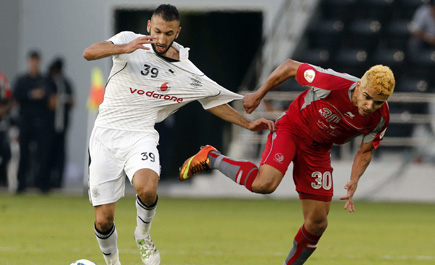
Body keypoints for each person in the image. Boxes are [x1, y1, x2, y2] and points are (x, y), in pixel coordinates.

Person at [82, 4, 274, 265]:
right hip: (105, 135)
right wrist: (121, 49)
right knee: (104, 219)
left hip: (140, 135)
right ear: (149, 26)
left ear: (178, 32)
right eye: (158, 31)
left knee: (147, 188)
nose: (161, 39)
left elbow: (212, 99)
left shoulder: (186, 71)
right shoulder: (128, 40)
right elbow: (89, 53)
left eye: (168, 33)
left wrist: (248, 124)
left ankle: (143, 234)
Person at [180, 59, 395, 264]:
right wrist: (259, 94)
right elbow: (290, 67)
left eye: (378, 102)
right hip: (292, 129)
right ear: (359, 85)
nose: (369, 105)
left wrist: (354, 180)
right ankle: (211, 157)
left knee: (318, 223)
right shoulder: (331, 82)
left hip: (319, 150)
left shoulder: (381, 117)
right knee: (264, 184)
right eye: (367, 97)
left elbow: (365, 152)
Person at [13, 50, 53, 193]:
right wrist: (31, 95)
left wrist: (42, 96)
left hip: (41, 122)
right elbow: (16, 96)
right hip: (25, 122)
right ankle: (21, 184)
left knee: (42, 154)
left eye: (36, 61)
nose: (34, 64)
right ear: (29, 62)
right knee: (24, 153)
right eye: (32, 61)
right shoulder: (22, 80)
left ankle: (42, 184)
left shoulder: (44, 80)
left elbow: (50, 98)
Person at [46, 57, 75, 189]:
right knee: (48, 152)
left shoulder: (65, 83)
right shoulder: (47, 81)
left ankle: (57, 181)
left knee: (60, 153)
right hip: (48, 124)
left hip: (62, 124)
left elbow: (72, 102)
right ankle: (45, 179)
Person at [0, 72, 13, 187]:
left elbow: (10, 101)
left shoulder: (2, 79)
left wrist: (2, 111)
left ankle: (3, 179)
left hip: (1, 122)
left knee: (6, 152)